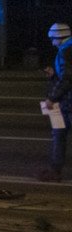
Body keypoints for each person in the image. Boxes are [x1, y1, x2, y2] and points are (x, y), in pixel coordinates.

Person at [39, 22, 72, 182]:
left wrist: (52, 97)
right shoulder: (66, 50)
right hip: (67, 101)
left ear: (60, 37)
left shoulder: (66, 51)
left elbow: (67, 79)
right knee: (59, 134)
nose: (52, 42)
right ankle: (54, 169)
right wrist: (53, 76)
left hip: (68, 103)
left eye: (53, 39)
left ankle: (55, 170)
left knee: (59, 135)